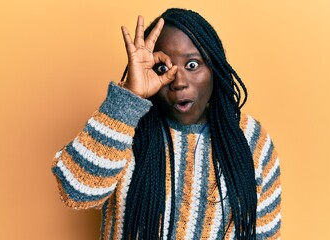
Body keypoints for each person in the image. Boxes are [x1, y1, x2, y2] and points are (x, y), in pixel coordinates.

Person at [52, 8, 281, 240]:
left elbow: (265, 234)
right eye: (163, 68)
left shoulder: (250, 139)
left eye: (192, 65)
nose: (179, 82)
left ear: (214, 69)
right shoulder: (124, 129)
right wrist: (128, 97)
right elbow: (76, 193)